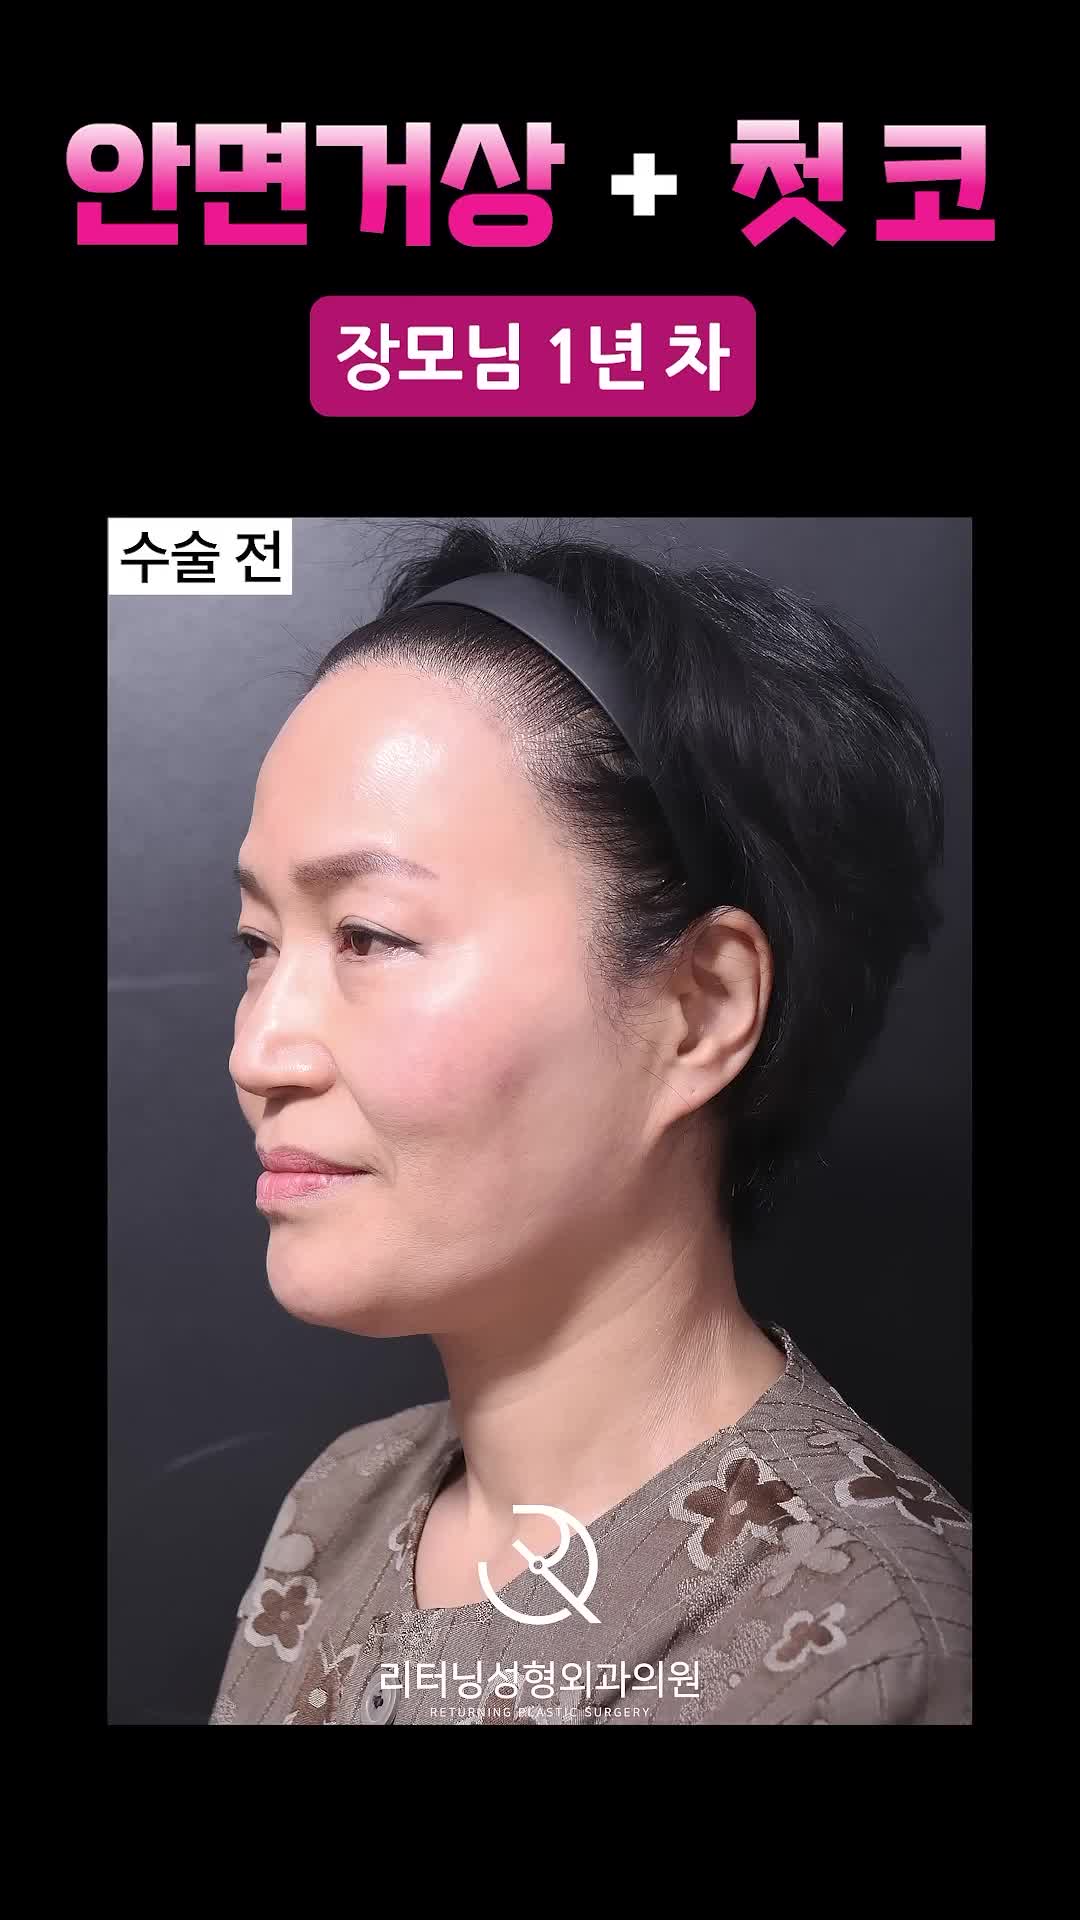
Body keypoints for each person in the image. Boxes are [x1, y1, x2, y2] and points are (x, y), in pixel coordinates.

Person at [210, 522, 970, 1727]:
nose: (259, 1053)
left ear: (698, 1010)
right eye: (259, 945)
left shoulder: (867, 1655)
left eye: (370, 936)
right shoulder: (340, 1506)